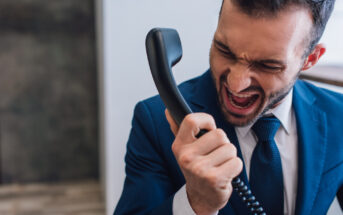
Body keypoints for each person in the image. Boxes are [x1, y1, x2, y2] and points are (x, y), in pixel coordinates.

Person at [114, 0, 343, 214]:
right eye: (224, 50)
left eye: (267, 65)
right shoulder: (154, 120)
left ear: (310, 59)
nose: (236, 84)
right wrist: (197, 203)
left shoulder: (338, 115)